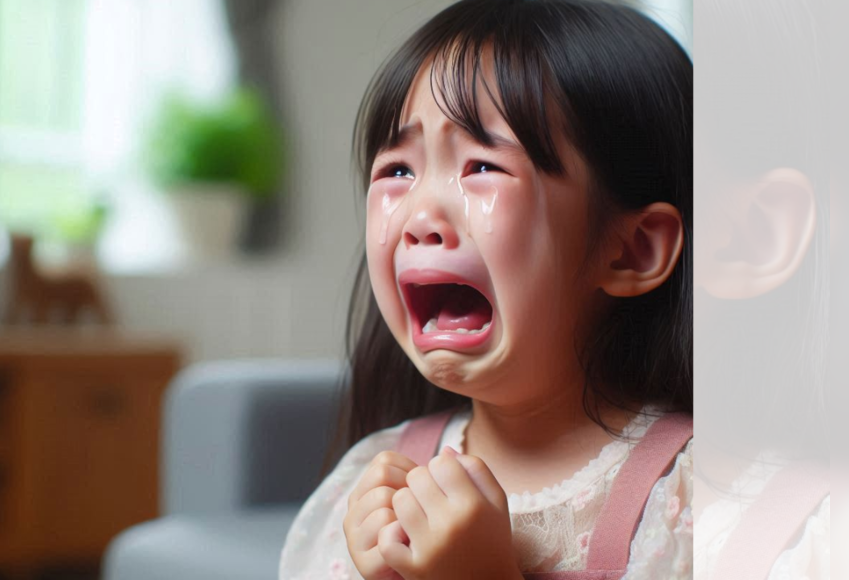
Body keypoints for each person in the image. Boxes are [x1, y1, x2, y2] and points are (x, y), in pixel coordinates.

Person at [280, 1, 694, 578]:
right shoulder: (365, 484)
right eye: (398, 171)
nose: (421, 213)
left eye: (482, 166)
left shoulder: (694, 501)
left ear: (632, 250)